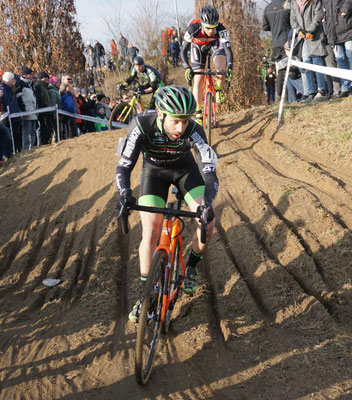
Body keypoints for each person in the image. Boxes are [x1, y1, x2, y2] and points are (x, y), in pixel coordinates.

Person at [115, 85, 219, 322]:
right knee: (151, 229)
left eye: (185, 121)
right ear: (160, 114)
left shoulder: (194, 131)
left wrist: (207, 205)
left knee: (209, 223)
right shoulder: (141, 125)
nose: (181, 128)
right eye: (175, 121)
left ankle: (191, 266)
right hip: (154, 173)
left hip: (185, 172)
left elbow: (210, 172)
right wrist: (124, 194)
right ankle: (146, 295)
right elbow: (124, 165)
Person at [180, 5, 234, 125]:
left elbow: (228, 50)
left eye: (214, 27)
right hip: (198, 46)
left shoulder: (221, 29)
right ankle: (198, 113)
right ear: (202, 23)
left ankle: (218, 89)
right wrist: (187, 68)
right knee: (198, 78)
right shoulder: (193, 28)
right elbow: (183, 51)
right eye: (209, 28)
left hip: (214, 45)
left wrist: (230, 67)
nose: (212, 31)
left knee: (221, 67)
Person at [290, 0, 328, 100]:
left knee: (317, 62)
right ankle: (312, 91)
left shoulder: (314, 1)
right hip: (303, 38)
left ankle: (321, 90)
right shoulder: (294, 3)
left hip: (315, 36)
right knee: (306, 65)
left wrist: (310, 30)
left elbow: (318, 15)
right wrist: (299, 30)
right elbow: (293, 20)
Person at [321, 0, 352, 98]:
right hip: (333, 34)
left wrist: (344, 11)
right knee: (340, 59)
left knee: (350, 56)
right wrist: (324, 20)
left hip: (347, 28)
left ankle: (351, 85)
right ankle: (345, 87)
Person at [262, 0, 291, 99]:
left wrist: (274, 27)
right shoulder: (286, 5)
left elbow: (265, 27)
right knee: (289, 68)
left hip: (275, 44)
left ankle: (280, 93)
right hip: (287, 42)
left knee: (280, 69)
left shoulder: (268, 8)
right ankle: (289, 95)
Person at [16, 66, 38, 150]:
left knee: (33, 132)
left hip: (33, 111)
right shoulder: (20, 83)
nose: (33, 75)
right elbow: (19, 98)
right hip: (26, 113)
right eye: (31, 74)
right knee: (26, 132)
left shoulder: (30, 84)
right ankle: (26, 150)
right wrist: (23, 111)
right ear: (25, 75)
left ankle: (31, 148)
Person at [1, 72, 22, 152]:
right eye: (12, 79)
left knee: (16, 135)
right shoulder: (3, 89)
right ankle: (10, 153)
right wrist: (12, 114)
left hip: (16, 115)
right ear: (8, 80)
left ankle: (16, 150)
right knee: (10, 136)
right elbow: (7, 103)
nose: (14, 81)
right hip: (9, 117)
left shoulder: (12, 89)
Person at [34, 71, 54, 145]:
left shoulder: (45, 87)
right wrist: (45, 106)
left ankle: (47, 143)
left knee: (48, 129)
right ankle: (43, 144)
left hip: (47, 111)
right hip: (42, 112)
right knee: (44, 129)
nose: (47, 80)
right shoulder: (38, 86)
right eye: (45, 78)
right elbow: (39, 99)